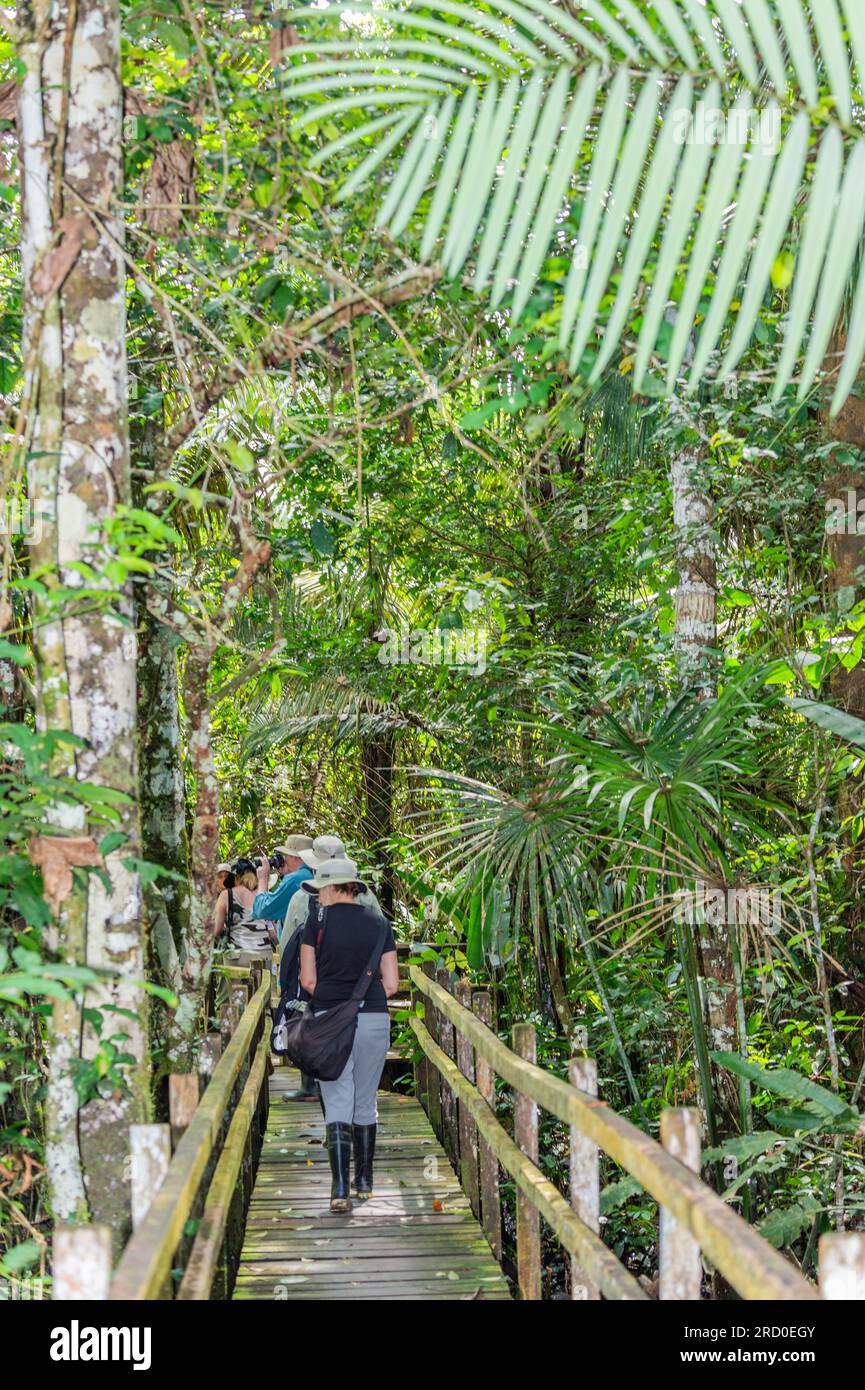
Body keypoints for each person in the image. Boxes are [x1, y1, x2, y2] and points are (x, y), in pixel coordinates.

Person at [299, 858, 398, 1212]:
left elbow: (307, 981)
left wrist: (334, 998)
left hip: (329, 1021)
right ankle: (365, 1183)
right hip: (373, 1018)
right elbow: (392, 984)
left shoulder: (317, 922)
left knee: (338, 1099)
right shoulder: (379, 922)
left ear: (331, 887)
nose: (318, 898)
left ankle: (339, 1189)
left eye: (319, 891)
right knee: (365, 1099)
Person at [279, 835, 386, 1103]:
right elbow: (380, 932)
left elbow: (288, 941)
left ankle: (312, 1085)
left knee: (311, 1019)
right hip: (361, 977)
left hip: (319, 973)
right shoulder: (366, 896)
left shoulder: (303, 897)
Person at [252, 835, 314, 931]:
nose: (284, 859)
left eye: (286, 855)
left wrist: (263, 879)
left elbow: (261, 911)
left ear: (295, 857)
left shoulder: (294, 879)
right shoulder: (311, 873)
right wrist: (285, 875)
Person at [213, 858, 258, 940]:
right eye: (220, 877)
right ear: (215, 880)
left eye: (226, 876)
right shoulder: (212, 900)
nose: (223, 879)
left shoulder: (242, 894)